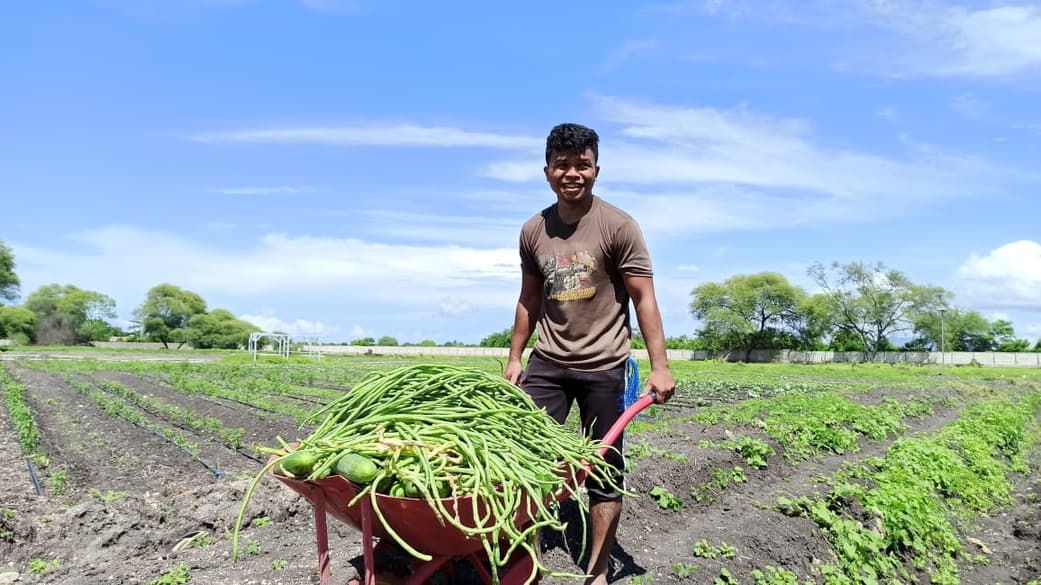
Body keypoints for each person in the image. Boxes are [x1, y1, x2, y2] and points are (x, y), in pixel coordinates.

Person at [504, 122, 676, 585]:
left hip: (606, 366)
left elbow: (644, 298)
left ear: (596, 169)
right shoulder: (533, 230)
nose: (572, 173)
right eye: (563, 165)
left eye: (582, 164)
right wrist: (516, 357)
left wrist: (660, 366)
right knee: (526, 465)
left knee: (605, 470)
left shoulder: (619, 226)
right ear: (547, 171)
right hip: (549, 364)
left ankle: (597, 572)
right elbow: (529, 299)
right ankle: (530, 565)